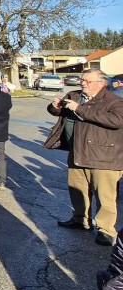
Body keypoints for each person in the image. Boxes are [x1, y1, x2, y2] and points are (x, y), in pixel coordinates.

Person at [44, 69, 123, 246]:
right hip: (78, 152)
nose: (82, 83)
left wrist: (79, 109)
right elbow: (57, 112)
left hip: (105, 156)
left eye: (87, 81)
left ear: (101, 83)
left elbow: (117, 121)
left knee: (105, 195)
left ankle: (106, 230)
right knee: (76, 189)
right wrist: (54, 107)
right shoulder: (74, 95)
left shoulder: (114, 101)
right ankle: (80, 219)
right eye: (82, 80)